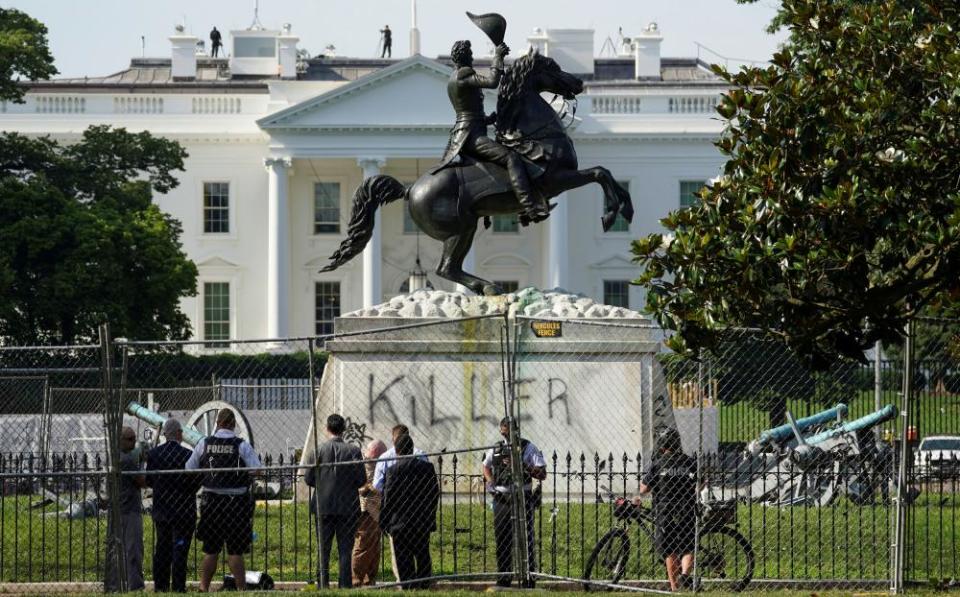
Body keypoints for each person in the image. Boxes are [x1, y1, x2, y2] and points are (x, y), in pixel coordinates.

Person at [428, 39, 551, 224]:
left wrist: (488, 120)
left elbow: (466, 112)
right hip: (472, 137)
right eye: (470, 54)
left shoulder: (453, 78)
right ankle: (529, 208)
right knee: (512, 158)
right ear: (465, 57)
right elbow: (492, 82)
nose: (472, 57)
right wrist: (498, 57)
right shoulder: (463, 75)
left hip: (468, 131)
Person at [186, 408, 261, 592]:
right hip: (236, 503)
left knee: (211, 548)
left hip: (211, 501)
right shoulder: (241, 445)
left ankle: (204, 588)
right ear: (233, 424)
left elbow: (189, 467)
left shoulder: (205, 443)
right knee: (235, 550)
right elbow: (257, 470)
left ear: (217, 423)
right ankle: (241, 589)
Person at [482, 417, 546, 588]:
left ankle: (528, 578)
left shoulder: (528, 447)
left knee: (525, 539)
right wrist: (490, 482)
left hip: (522, 496)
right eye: (503, 432)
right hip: (501, 498)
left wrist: (522, 465)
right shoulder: (496, 447)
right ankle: (504, 578)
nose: (506, 436)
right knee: (502, 539)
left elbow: (542, 473)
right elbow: (485, 466)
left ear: (516, 431)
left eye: (509, 432)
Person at [304, 414, 367, 589]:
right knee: (345, 550)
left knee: (323, 548)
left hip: (322, 506)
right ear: (343, 429)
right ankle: (345, 585)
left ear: (327, 429)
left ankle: (322, 584)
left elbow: (308, 479)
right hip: (347, 507)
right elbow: (362, 480)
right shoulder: (353, 451)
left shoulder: (318, 451)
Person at [633, 426, 697, 592]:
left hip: (665, 510)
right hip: (687, 508)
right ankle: (684, 574)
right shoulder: (689, 462)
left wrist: (639, 495)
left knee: (669, 549)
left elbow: (644, 489)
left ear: (661, 445)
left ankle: (675, 586)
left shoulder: (658, 464)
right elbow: (701, 481)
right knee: (688, 546)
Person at [146, 419, 201, 593]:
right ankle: (178, 586)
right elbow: (197, 480)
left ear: (165, 435)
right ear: (179, 434)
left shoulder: (154, 454)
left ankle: (160, 586)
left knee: (162, 548)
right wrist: (188, 491)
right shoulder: (187, 455)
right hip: (184, 510)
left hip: (162, 509)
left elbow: (149, 480)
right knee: (180, 548)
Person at [380, 433, 440, 589]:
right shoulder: (427, 468)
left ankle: (408, 586)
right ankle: (424, 584)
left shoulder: (393, 470)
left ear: (397, 451)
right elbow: (434, 493)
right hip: (421, 521)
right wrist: (430, 514)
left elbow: (389, 498)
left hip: (400, 522)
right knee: (422, 554)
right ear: (412, 449)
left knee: (403, 557)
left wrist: (384, 521)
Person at [105, 426, 147, 592]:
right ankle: (135, 585)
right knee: (134, 550)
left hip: (117, 508)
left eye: (134, 439)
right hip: (129, 509)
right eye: (130, 439)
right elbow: (142, 481)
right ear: (120, 440)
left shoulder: (115, 457)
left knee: (115, 549)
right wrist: (143, 462)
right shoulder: (127, 461)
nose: (133, 442)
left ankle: (113, 585)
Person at [352, 439, 388, 586]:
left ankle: (369, 579)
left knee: (373, 546)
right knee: (364, 546)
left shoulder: (370, 463)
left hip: (375, 511)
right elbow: (368, 487)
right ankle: (356, 579)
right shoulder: (369, 464)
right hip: (367, 510)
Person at [372, 424, 427, 493]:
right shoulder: (420, 454)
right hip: (418, 496)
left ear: (393, 438)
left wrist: (389, 493)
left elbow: (377, 484)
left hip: (393, 499)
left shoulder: (384, 457)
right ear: (408, 437)